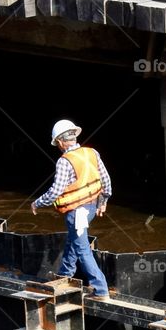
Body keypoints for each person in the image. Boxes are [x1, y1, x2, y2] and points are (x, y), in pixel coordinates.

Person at [31, 119, 112, 299]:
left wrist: (38, 203)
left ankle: (100, 289)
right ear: (74, 136)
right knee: (74, 240)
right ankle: (65, 275)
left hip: (77, 212)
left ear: (59, 142)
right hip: (90, 208)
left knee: (82, 248)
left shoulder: (64, 161)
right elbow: (106, 181)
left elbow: (56, 191)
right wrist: (103, 201)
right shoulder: (92, 153)